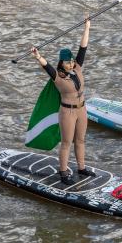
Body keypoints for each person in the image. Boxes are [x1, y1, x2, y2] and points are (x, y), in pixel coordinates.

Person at [30, 17, 95, 185]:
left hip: (82, 110)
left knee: (80, 140)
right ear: (61, 63)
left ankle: (81, 167)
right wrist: (38, 56)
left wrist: (87, 27)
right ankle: (63, 171)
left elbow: (83, 48)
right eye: (68, 61)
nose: (72, 63)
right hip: (67, 112)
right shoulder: (57, 77)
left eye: (72, 60)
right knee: (66, 142)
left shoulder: (78, 68)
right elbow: (47, 66)